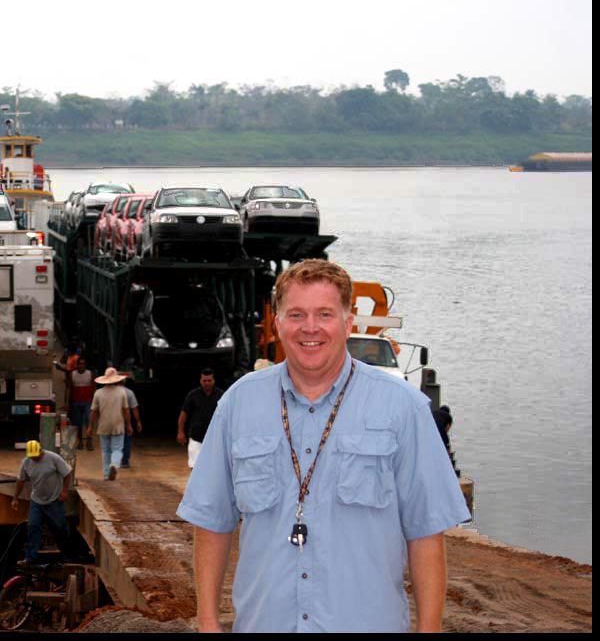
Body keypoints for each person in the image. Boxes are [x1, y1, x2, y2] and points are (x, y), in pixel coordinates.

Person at [176, 259, 470, 633]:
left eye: (324, 314)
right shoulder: (238, 404)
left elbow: (426, 532)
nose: (310, 328)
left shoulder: (403, 408)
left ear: (347, 323)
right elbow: (212, 522)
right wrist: (208, 622)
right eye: (296, 314)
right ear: (277, 323)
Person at [12, 440, 74, 566]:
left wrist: (65, 491)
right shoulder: (26, 462)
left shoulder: (53, 458)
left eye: (36, 456)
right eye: (32, 456)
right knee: (33, 526)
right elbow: (21, 481)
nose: (34, 458)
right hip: (37, 501)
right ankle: (30, 558)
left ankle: (67, 556)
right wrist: (15, 498)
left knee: (59, 528)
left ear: (41, 451)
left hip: (54, 500)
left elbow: (67, 473)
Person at [86, 367, 132, 480]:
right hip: (118, 425)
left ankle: (107, 474)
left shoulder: (98, 393)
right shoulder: (122, 392)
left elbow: (94, 412)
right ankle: (114, 465)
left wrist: (90, 426)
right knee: (117, 449)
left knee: (105, 450)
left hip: (103, 426)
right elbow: (126, 410)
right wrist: (129, 424)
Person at [176, 368, 223, 469]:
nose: (207, 383)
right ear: (200, 381)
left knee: (214, 468)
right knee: (195, 468)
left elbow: (227, 416)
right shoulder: (192, 395)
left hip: (215, 439)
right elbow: (183, 415)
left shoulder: (221, 395)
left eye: (209, 380)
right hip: (196, 438)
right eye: (204, 381)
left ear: (214, 380)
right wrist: (180, 432)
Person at [66, 357, 95, 451]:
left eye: (83, 364)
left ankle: (89, 440)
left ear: (85, 365)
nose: (81, 366)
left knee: (88, 421)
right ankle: (80, 441)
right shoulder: (72, 374)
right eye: (80, 364)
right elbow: (69, 388)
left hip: (87, 401)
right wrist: (67, 402)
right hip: (75, 402)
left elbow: (93, 388)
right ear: (77, 365)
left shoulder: (90, 374)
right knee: (77, 423)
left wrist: (94, 402)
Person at [120, 379, 143, 468]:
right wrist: (138, 421)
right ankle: (125, 461)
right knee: (126, 440)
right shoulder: (129, 393)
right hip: (125, 420)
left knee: (115, 440)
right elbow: (134, 408)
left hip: (113, 419)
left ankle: (115, 460)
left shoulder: (110, 392)